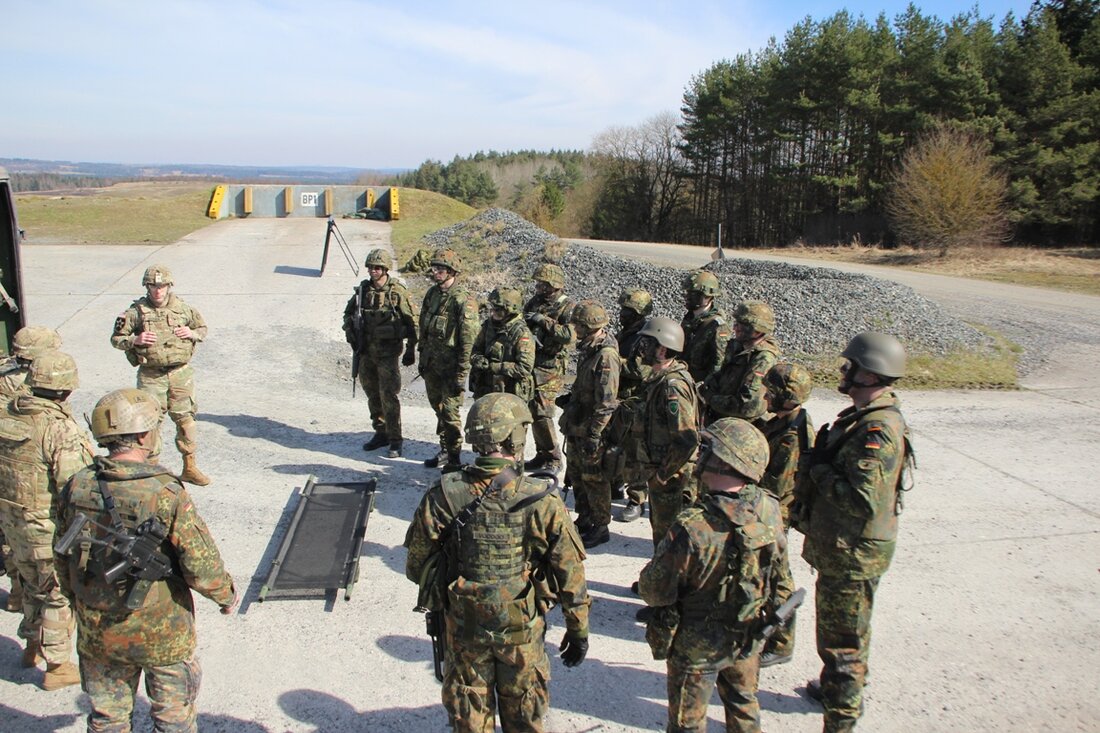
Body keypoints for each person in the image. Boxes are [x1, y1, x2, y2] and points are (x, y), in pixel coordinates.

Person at [405, 392, 591, 733]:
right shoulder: (541, 500)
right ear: (516, 438)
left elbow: (417, 566)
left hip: (464, 625)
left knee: (470, 715)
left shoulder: (444, 494)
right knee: (525, 715)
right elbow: (570, 574)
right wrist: (577, 629)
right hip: (521, 629)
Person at [54, 387, 238, 731]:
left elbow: (62, 554)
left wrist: (75, 598)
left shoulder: (77, 485)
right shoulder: (165, 490)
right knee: (173, 718)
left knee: (107, 719)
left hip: (98, 629)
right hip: (162, 633)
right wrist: (225, 596)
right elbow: (200, 564)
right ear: (143, 436)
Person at [639, 417, 783, 733]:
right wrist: (782, 639)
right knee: (744, 705)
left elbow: (654, 590)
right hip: (746, 632)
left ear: (724, 461)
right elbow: (780, 576)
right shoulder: (768, 508)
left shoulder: (693, 526)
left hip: (696, 646)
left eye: (707, 449)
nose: (700, 455)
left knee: (687, 724)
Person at [801, 332, 913, 732]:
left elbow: (862, 499)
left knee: (842, 643)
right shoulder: (863, 417)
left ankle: (842, 715)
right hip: (846, 547)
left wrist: (818, 469)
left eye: (851, 366)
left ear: (871, 374)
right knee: (847, 630)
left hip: (853, 554)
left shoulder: (876, 430)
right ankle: (837, 687)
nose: (844, 371)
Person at [0, 350, 93, 690]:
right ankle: (57, 666)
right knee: (56, 593)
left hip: (13, 521)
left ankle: (31, 647)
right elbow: (75, 486)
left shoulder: (9, 415)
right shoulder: (57, 428)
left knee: (31, 584)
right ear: (67, 388)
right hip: (46, 527)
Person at [110, 265, 211, 486]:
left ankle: (190, 467)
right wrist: (134, 340)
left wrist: (192, 333)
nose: (158, 291)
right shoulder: (135, 313)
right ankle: (152, 471)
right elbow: (116, 339)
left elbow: (202, 328)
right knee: (150, 424)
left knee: (186, 420)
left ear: (169, 286)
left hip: (180, 374)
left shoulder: (183, 309)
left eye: (162, 286)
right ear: (147, 287)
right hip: (151, 376)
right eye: (153, 286)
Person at [757, 362, 816, 668]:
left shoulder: (792, 437)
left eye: (771, 392)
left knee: (777, 578)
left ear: (786, 397)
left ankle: (781, 643)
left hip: (773, 517)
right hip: (770, 512)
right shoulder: (785, 422)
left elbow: (774, 488)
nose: (765, 397)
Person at [0, 325, 62, 614]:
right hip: (28, 469)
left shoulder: (5, 376)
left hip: (7, 471)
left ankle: (17, 593)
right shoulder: (31, 383)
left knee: (10, 537)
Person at [343, 249, 419, 458]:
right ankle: (380, 431)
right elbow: (348, 314)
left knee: (389, 396)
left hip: (387, 355)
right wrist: (351, 331)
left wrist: (411, 349)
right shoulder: (363, 291)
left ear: (385, 269)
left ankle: (395, 439)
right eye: (370, 267)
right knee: (372, 393)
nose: (373, 271)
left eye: (377, 268)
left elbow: (413, 323)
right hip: (365, 352)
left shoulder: (397, 293)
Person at [559, 300, 620, 549]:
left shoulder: (606, 356)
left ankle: (600, 526)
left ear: (589, 326)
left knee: (594, 479)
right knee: (577, 475)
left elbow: (607, 402)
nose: (575, 330)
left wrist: (595, 434)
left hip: (593, 429)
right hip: (578, 426)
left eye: (579, 326)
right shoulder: (589, 349)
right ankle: (584, 518)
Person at [637, 317, 700, 546]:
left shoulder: (673, 387)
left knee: (669, 537)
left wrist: (662, 475)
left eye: (648, 343)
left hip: (673, 476)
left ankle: (666, 570)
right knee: (661, 531)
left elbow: (686, 439)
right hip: (662, 471)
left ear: (662, 350)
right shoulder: (659, 379)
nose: (642, 347)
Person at [418, 249, 479, 469]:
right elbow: (423, 327)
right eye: (434, 268)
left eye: (440, 269)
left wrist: (462, 372)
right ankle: (445, 449)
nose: (435, 272)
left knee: (451, 413)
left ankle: (454, 458)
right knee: (438, 409)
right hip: (432, 364)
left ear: (452, 271)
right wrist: (420, 354)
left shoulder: (463, 299)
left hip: (451, 368)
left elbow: (469, 340)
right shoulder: (432, 294)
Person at [523, 263, 576, 473]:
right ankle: (541, 455)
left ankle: (554, 459)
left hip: (550, 368)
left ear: (554, 286)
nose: (538, 289)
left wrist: (543, 320)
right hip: (532, 363)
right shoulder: (535, 302)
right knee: (532, 411)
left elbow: (569, 336)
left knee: (543, 413)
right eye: (538, 285)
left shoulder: (567, 306)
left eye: (543, 285)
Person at [700, 300, 781, 425]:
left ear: (757, 331)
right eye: (736, 323)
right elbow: (723, 374)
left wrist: (710, 398)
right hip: (722, 417)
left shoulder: (763, 359)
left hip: (742, 425)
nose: (735, 328)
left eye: (741, 326)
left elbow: (747, 405)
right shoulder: (738, 346)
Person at [612, 288, 653, 524]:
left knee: (635, 453)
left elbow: (640, 370)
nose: (622, 314)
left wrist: (611, 360)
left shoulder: (645, 337)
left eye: (627, 310)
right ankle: (615, 484)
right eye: (622, 309)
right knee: (615, 446)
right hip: (619, 399)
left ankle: (637, 499)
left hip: (635, 402)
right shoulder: (626, 332)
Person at [469, 287, 535, 402]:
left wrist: (497, 367)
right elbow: (475, 350)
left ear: (510, 311)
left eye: (498, 310)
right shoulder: (488, 326)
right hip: (485, 388)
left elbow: (524, 368)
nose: (493, 313)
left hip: (510, 392)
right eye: (492, 309)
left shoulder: (521, 333)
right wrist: (478, 359)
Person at [680, 271, 731, 383]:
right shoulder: (689, 318)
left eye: (694, 294)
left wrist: (705, 386)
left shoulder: (717, 326)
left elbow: (718, 365)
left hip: (699, 383)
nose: (688, 297)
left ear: (708, 297)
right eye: (688, 293)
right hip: (683, 378)